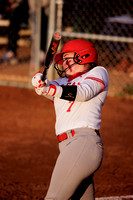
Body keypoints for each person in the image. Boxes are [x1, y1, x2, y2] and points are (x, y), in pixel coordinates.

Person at [32, 39, 109, 200]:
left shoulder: (97, 73)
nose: (64, 63)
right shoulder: (61, 82)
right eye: (63, 60)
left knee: (54, 197)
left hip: (83, 143)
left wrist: (51, 88)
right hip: (67, 147)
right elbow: (46, 89)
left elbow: (82, 92)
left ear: (84, 56)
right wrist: (39, 82)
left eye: (69, 58)